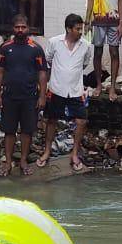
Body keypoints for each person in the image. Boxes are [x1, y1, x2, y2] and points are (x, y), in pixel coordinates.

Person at [37, 15, 93, 173]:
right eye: (77, 29)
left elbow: (84, 63)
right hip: (56, 89)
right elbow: (48, 59)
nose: (80, 32)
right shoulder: (55, 42)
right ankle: (47, 151)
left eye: (81, 28)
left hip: (75, 91)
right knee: (51, 120)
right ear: (69, 29)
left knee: (81, 121)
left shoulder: (86, 46)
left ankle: (74, 153)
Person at [0, 14, 48, 178]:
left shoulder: (36, 49)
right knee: (9, 131)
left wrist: (42, 96)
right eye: (17, 27)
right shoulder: (5, 48)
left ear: (28, 28)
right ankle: (8, 162)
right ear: (13, 29)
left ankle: (23, 161)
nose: (20, 30)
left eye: (23, 27)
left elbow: (42, 73)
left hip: (30, 97)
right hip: (9, 96)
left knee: (27, 131)